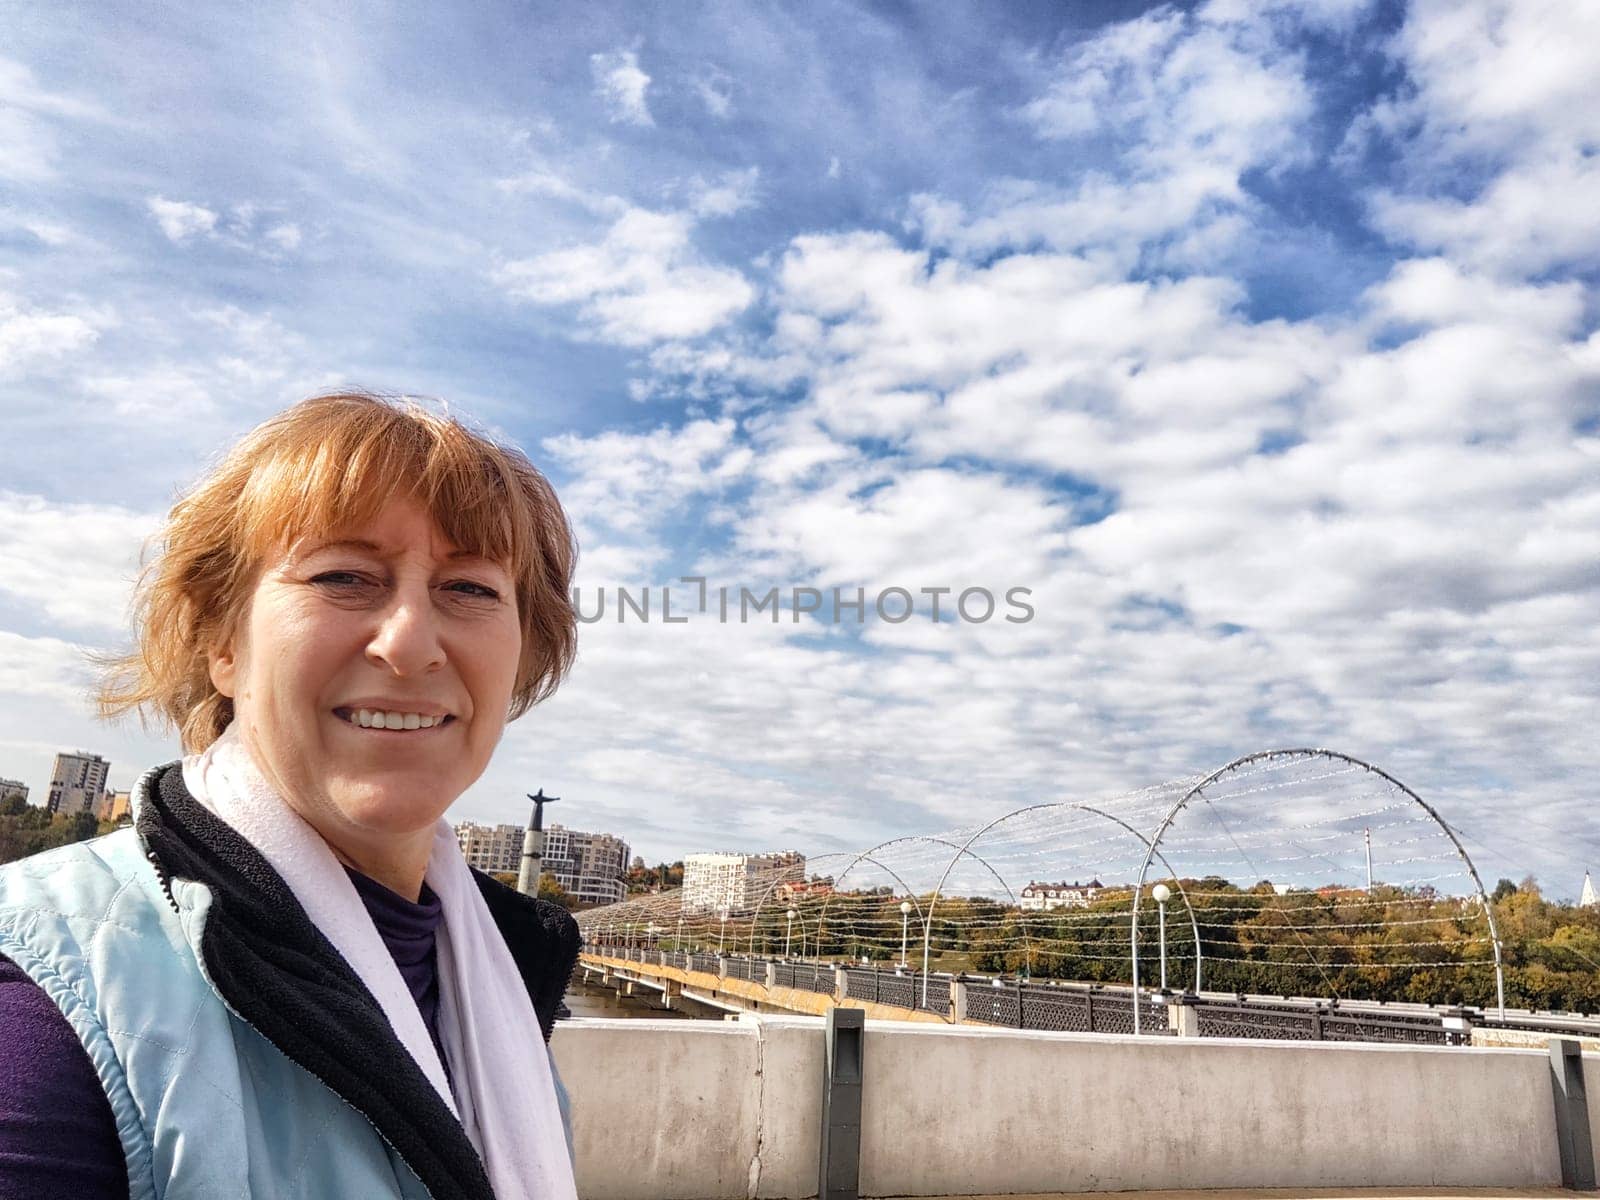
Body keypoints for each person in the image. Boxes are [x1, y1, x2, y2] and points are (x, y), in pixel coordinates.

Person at [0, 392, 584, 1200]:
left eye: (472, 589)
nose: (410, 643)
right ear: (222, 644)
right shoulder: (46, 1003)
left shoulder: (504, 982)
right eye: (344, 576)